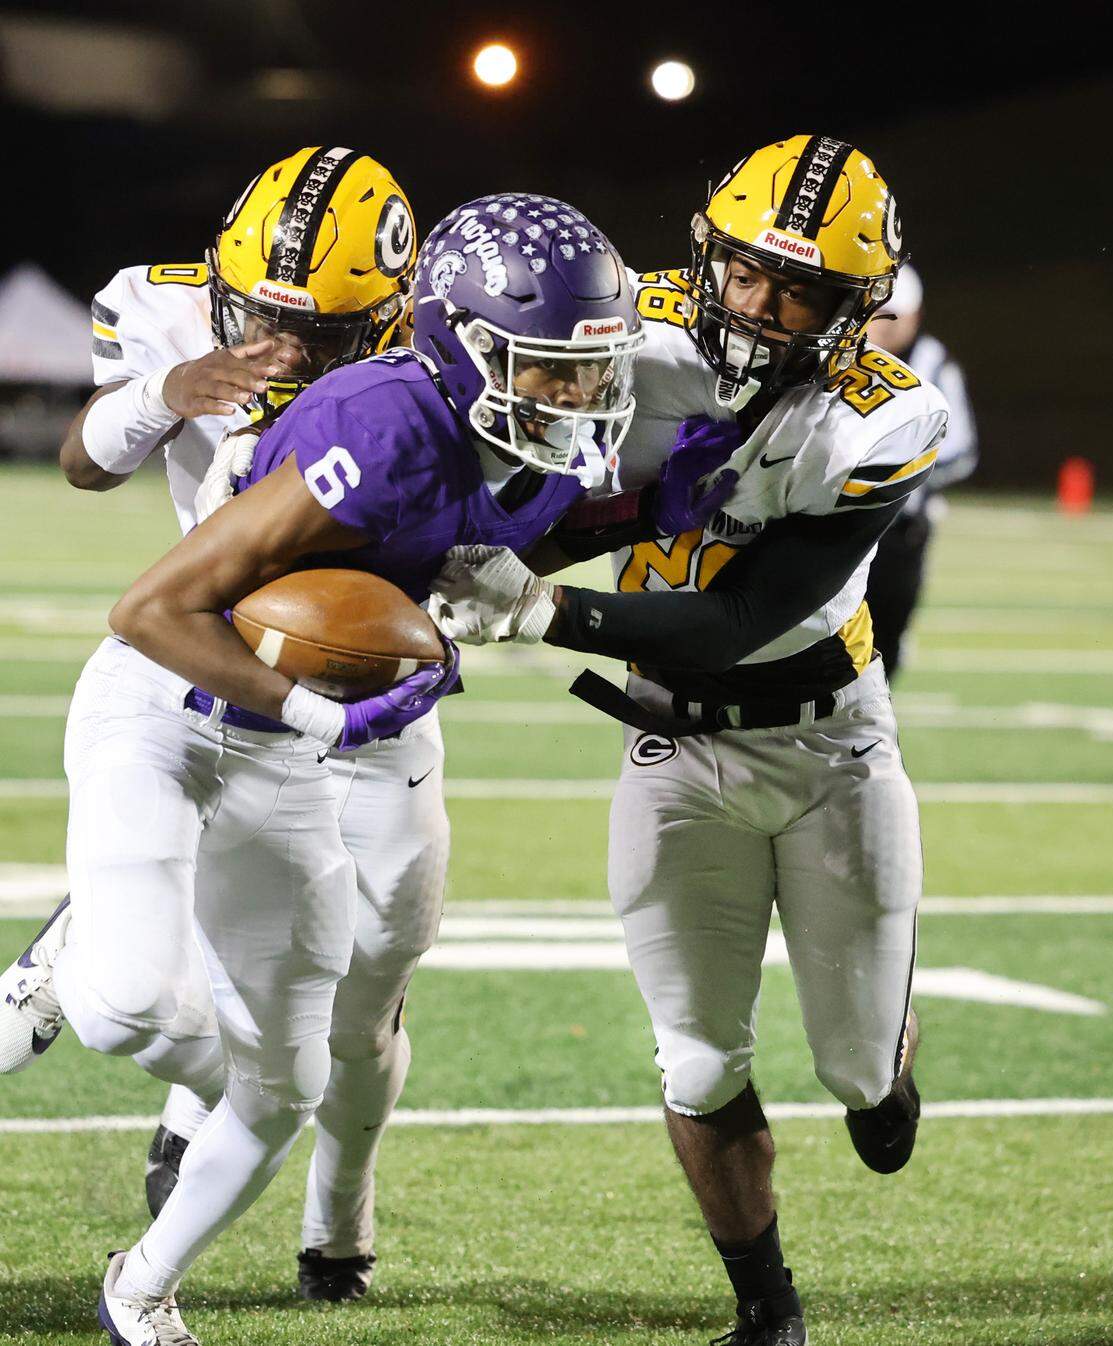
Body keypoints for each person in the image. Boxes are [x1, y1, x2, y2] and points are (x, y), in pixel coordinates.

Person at [3, 190, 735, 1346]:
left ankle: (141, 1286)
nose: (577, 396)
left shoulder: (530, 439)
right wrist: (313, 708)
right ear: (463, 343)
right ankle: (87, 965)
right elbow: (149, 609)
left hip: (315, 741)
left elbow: (510, 530)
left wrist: (595, 544)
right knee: (135, 1003)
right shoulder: (382, 421)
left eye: (586, 370)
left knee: (298, 1075)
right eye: (548, 369)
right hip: (181, 700)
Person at [430, 136, 949, 1346]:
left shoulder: (883, 416)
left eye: (803, 289)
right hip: (672, 745)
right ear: (707, 252)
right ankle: (768, 1312)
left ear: (855, 305)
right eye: (748, 273)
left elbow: (743, 615)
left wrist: (544, 610)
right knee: (698, 1057)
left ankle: (889, 1058)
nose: (763, 309)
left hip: (830, 749)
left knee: (856, 1080)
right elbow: (534, 467)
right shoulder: (626, 325)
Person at [3, 145, 438, 1305]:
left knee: (378, 973)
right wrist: (162, 392)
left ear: (391, 314)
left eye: (323, 333)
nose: (286, 352)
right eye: (263, 320)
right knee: (197, 958)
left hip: (374, 682)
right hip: (217, 668)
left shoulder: (443, 343)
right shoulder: (162, 304)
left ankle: (338, 1215)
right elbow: (84, 464)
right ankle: (200, 1088)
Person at [863, 263, 979, 677]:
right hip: (831, 525)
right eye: (880, 313)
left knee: (885, 646)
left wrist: (897, 473)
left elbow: (961, 451)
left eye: (898, 314)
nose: (888, 325)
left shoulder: (935, 364)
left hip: (898, 533)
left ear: (916, 314)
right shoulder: (834, 356)